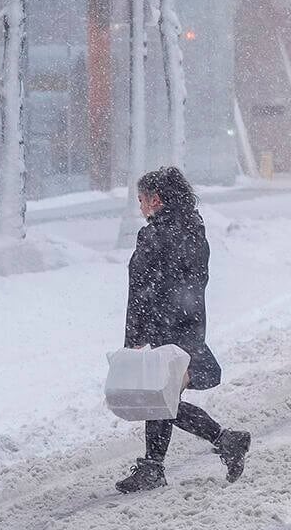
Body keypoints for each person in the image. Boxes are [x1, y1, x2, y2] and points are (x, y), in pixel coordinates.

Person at [117, 167, 251, 492]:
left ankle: (219, 442)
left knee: (161, 399)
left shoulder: (152, 236)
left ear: (156, 199)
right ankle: (157, 465)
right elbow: (193, 282)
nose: (140, 207)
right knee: (163, 398)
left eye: (141, 200)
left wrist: (133, 340)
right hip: (189, 328)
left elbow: (140, 290)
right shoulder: (194, 230)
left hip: (165, 330)